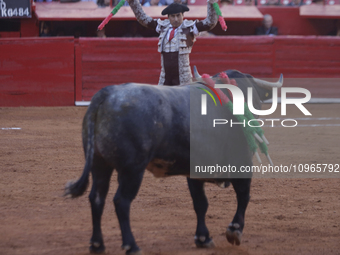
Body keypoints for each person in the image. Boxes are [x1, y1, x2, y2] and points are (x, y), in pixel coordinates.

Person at [127, 0, 218, 85]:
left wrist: (211, 4)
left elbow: (210, 22)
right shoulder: (162, 26)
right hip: (165, 78)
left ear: (183, 15)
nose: (176, 19)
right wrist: (133, 2)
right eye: (173, 16)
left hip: (183, 78)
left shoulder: (190, 27)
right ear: (168, 17)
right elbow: (143, 19)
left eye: (178, 15)